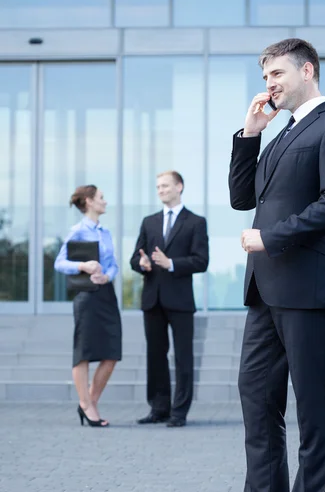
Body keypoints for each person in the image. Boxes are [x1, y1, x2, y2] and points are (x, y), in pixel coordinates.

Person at [202, 38, 325, 492]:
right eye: (266, 76)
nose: (270, 84)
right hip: (265, 292)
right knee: (257, 399)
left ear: (308, 70)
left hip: (310, 290)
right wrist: (250, 135)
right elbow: (242, 198)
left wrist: (271, 237)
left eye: (277, 74)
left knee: (313, 407)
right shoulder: (280, 135)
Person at [130, 171, 209, 428]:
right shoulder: (149, 222)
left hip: (181, 301)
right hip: (152, 299)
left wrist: (171, 263)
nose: (161, 190)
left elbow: (201, 261)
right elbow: (135, 258)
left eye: (165, 185)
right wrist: (142, 263)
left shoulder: (196, 222)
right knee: (156, 355)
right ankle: (159, 408)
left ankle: (179, 411)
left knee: (183, 357)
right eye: (158, 187)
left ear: (179, 186)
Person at [54, 185, 122, 428]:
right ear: (89, 202)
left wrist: (107, 275)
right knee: (83, 352)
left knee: (112, 353)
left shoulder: (105, 232)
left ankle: (89, 402)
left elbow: (113, 264)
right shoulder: (78, 231)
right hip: (86, 297)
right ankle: (86, 405)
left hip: (106, 295)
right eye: (101, 198)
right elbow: (60, 263)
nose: (105, 201)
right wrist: (83, 266)